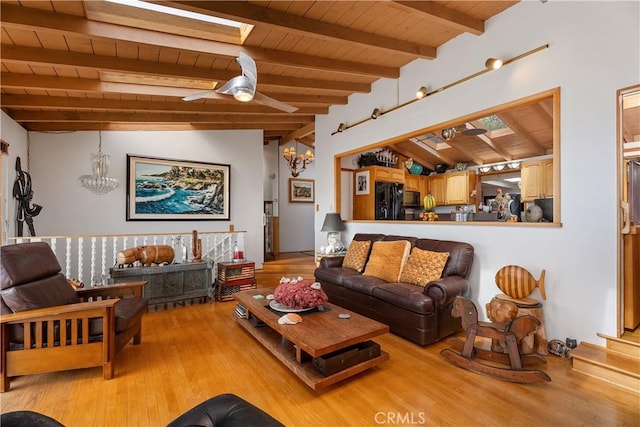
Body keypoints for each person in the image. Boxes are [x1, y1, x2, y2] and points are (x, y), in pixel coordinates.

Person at [13, 157, 43, 236]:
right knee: (23, 222)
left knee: (29, 223)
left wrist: (28, 197)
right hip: (23, 205)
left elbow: (29, 191)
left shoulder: (26, 177)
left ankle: (35, 242)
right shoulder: (21, 179)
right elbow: (16, 195)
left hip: (25, 205)